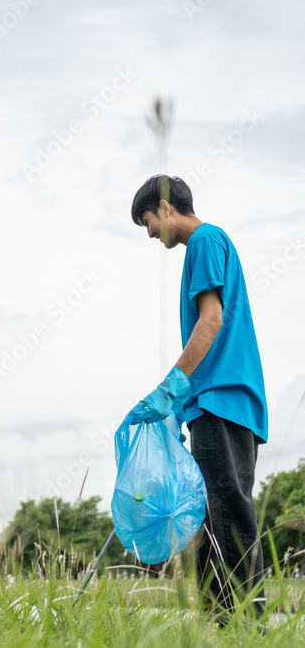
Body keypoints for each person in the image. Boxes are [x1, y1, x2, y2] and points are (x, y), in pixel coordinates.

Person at [129, 175, 267, 621]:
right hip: (229, 403)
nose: (149, 232)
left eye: (147, 221)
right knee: (217, 522)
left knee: (228, 518)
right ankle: (223, 626)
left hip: (218, 399)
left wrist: (172, 387)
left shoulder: (205, 241)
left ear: (166, 208)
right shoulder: (213, 242)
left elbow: (209, 321)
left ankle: (246, 627)